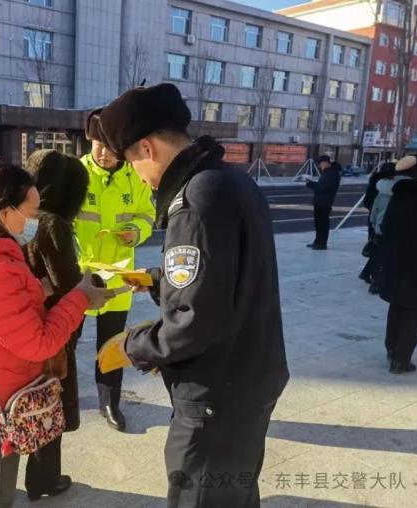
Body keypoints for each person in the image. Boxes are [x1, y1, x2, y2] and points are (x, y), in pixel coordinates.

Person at [95, 83, 289, 506]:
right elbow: (225, 277)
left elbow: (194, 320)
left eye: (132, 163)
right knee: (234, 493)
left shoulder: (194, 201)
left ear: (147, 149)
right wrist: (156, 279)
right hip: (250, 377)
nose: (138, 175)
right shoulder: (229, 180)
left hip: (215, 396)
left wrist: (130, 346)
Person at [0, 163, 116, 508]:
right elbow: (39, 343)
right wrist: (79, 299)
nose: (36, 221)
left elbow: (4, 309)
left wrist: (45, 289)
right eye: (31, 213)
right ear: (5, 213)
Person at [75, 108, 156, 432]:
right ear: (89, 140)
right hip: (80, 277)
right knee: (65, 342)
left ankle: (110, 402)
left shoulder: (134, 178)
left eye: (111, 148)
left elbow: (147, 214)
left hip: (118, 277)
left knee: (111, 345)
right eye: (99, 146)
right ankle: (62, 400)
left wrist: (136, 231)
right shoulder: (75, 174)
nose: (104, 154)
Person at [22, 150, 90, 501]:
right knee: (49, 402)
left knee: (26, 399)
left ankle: (25, 476)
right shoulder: (53, 224)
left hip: (22, 324)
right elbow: (68, 284)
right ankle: (44, 480)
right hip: (53, 327)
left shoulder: (21, 215)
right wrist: (92, 281)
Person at [378, 154, 417, 374]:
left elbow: (386, 227)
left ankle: (391, 349)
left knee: (397, 306)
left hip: (397, 263)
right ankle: (401, 359)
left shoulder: (400, 194)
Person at [360, 162, 396, 293]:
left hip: (375, 221)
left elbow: (370, 203)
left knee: (376, 248)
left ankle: (367, 273)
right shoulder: (396, 188)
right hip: (388, 224)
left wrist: (374, 219)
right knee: (383, 253)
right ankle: (375, 280)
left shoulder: (376, 184)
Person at [306, 155, 341, 250]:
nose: (320, 166)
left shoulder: (332, 173)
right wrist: (312, 184)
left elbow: (324, 187)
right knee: (318, 223)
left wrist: (311, 184)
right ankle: (317, 241)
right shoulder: (327, 172)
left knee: (323, 224)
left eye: (320, 163)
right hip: (320, 201)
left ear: (326, 163)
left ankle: (322, 243)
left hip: (325, 202)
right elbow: (321, 185)